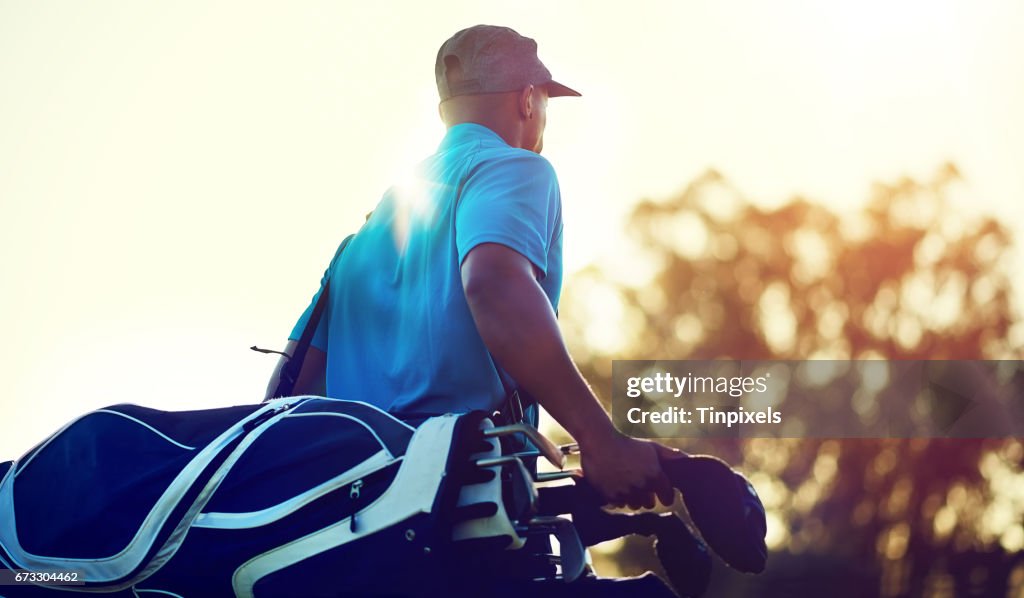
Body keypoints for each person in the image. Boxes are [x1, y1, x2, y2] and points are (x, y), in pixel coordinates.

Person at [265, 24, 678, 511]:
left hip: (353, 518)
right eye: (545, 102)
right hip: (465, 505)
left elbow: (286, 388)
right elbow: (492, 285)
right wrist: (599, 439)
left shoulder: (370, 229)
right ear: (527, 100)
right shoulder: (515, 168)